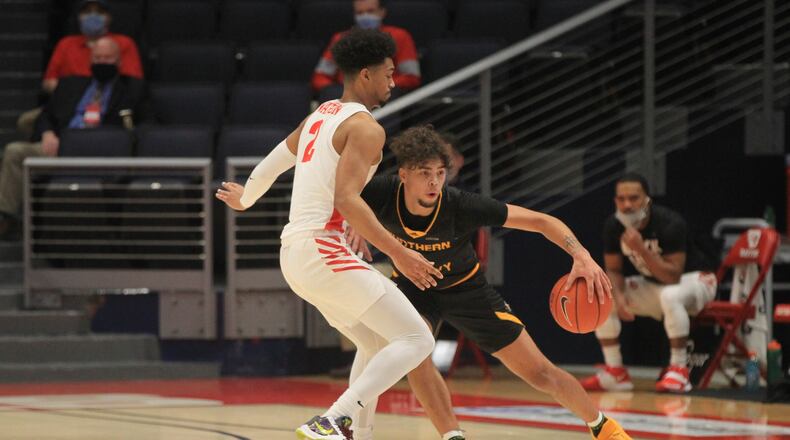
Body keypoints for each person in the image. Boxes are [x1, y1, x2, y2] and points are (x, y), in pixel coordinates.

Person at [215, 29, 441, 440]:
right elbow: (348, 199)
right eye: (389, 74)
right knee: (418, 337)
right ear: (367, 74)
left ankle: (359, 432)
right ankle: (333, 419)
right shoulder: (367, 128)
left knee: (375, 344)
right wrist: (401, 253)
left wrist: (247, 198)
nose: (394, 82)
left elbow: (273, 161)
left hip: (295, 255)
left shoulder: (320, 114)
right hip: (323, 250)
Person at [347, 125, 632, 440]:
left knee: (539, 372)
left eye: (440, 173)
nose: (434, 182)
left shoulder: (460, 204)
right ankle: (451, 435)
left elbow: (542, 221)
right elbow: (344, 199)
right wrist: (358, 223)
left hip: (467, 289)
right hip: (416, 289)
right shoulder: (381, 193)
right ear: (404, 175)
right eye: (425, 173)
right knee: (415, 354)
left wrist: (581, 255)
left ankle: (604, 428)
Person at [580, 173, 717, 393]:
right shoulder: (613, 226)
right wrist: (619, 295)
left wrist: (641, 249)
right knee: (602, 294)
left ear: (647, 200)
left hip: (696, 280)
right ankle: (616, 372)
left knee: (670, 295)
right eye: (621, 199)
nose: (627, 205)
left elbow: (672, 276)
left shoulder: (669, 222)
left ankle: (679, 370)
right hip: (656, 285)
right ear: (615, 201)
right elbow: (613, 270)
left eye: (633, 198)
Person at [0, 36, 144, 240]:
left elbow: (141, 126)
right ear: (90, 60)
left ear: (119, 61)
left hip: (102, 154)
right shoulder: (70, 85)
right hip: (59, 149)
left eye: (108, 58)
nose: (102, 62)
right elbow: (45, 115)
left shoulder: (132, 90)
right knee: (15, 151)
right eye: (98, 58)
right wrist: (47, 133)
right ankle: (7, 218)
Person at [17, 0, 143, 138]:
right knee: (28, 121)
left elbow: (131, 81)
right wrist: (74, 90)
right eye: (87, 12)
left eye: (99, 12)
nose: (93, 16)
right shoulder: (66, 44)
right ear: (78, 16)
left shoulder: (124, 43)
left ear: (109, 17)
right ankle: (46, 148)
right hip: (68, 102)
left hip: (110, 101)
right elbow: (48, 82)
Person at [312, 0, 420, 95]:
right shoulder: (340, 39)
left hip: (386, 98)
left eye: (370, 11)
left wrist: (379, 86)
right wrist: (340, 91)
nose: (365, 16)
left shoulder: (400, 36)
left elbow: (411, 77)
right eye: (360, 13)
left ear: (382, 12)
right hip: (346, 101)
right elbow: (319, 77)